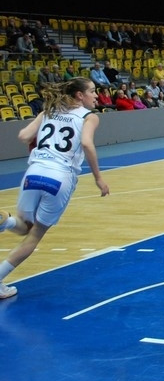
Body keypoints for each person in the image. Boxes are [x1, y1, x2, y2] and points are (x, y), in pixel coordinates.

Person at [0, 77, 109, 299]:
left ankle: (5, 221)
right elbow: (87, 144)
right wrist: (98, 178)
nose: (96, 95)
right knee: (35, 236)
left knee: (23, 226)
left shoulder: (49, 110)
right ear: (79, 95)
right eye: (92, 91)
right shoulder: (89, 117)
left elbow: (23, 136)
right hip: (60, 176)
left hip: (34, 171)